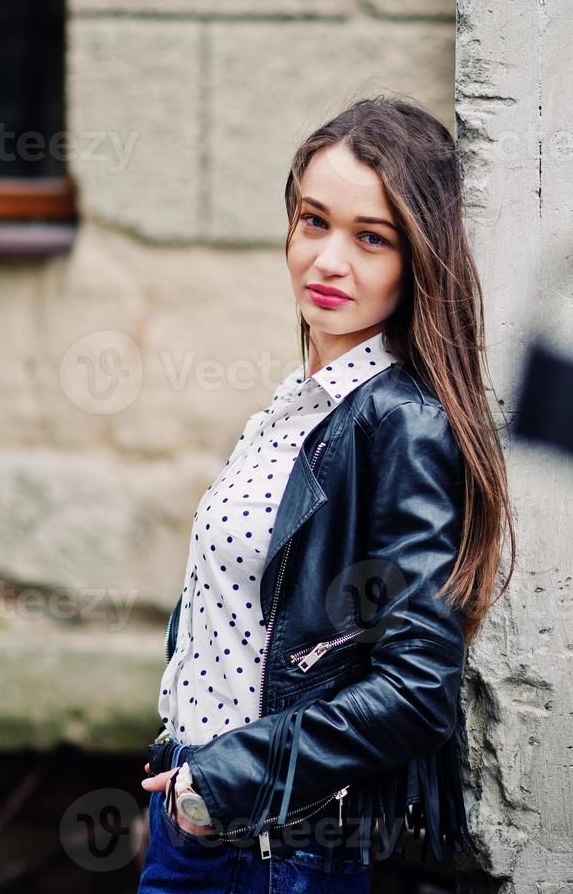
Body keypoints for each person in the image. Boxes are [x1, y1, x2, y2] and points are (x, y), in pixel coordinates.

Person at [136, 95, 517, 893]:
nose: (328, 260)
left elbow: (417, 691)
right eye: (314, 222)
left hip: (276, 844)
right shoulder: (300, 403)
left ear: (418, 259)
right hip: (202, 819)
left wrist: (225, 783)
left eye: (370, 238)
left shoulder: (400, 423)